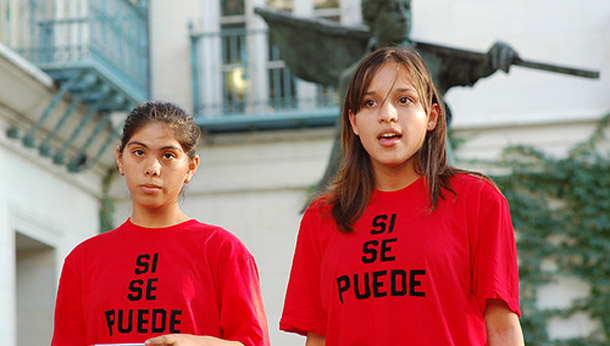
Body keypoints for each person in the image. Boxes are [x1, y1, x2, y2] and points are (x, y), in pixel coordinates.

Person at [279, 47, 524, 345]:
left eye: (404, 100)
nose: (388, 115)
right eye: (370, 103)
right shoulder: (323, 216)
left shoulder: (478, 201)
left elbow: (502, 327)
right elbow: (318, 337)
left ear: (432, 115)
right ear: (354, 121)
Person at [52, 101, 270, 346]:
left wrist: (198, 344)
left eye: (168, 156)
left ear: (190, 167)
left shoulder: (222, 250)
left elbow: (254, 342)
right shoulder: (82, 260)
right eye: (138, 152)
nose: (152, 168)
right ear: (120, 159)